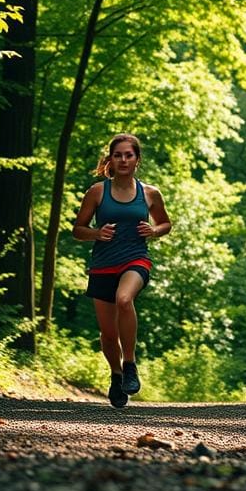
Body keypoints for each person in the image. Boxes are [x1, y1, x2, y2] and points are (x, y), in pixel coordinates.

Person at [73, 133, 171, 407]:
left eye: (129, 155)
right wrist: (95, 233)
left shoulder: (150, 193)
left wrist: (153, 230)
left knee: (124, 299)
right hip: (103, 265)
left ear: (137, 159)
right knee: (107, 332)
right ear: (111, 160)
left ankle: (129, 365)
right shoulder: (97, 191)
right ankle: (116, 376)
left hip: (135, 259)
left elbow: (165, 223)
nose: (124, 160)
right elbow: (77, 230)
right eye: (118, 155)